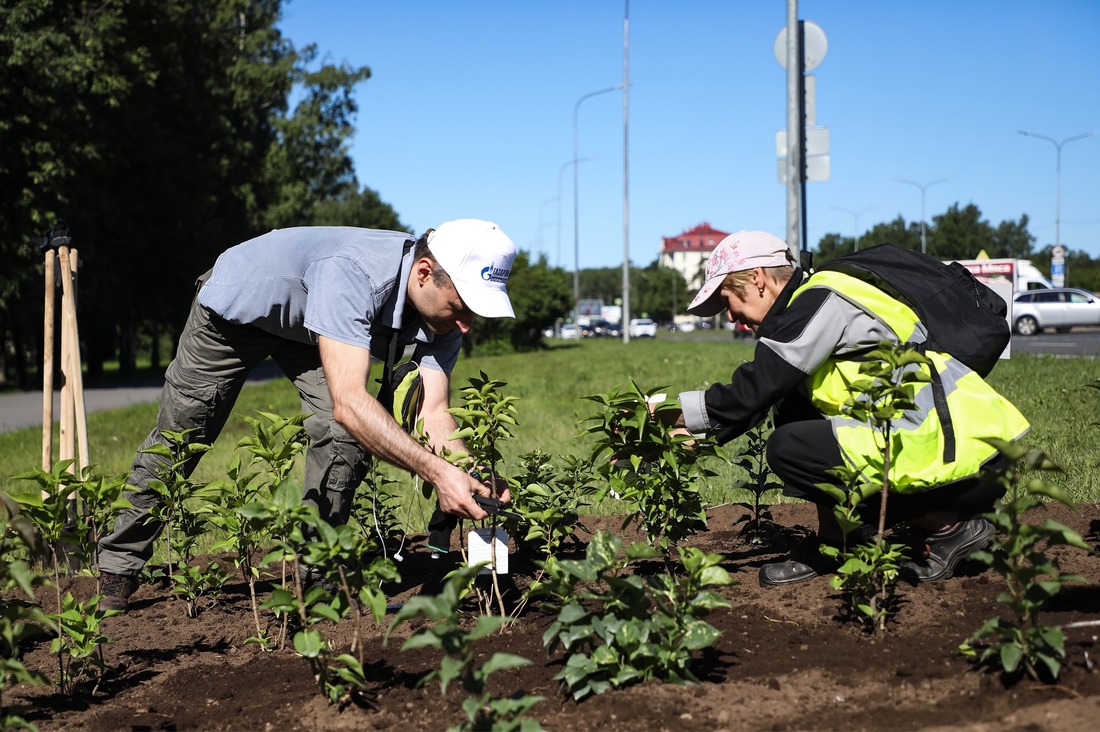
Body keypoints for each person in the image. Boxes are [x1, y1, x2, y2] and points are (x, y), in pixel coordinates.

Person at [97, 219, 517, 610]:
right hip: (236, 309)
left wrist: (468, 471)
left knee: (343, 437)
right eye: (461, 306)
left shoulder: (442, 320)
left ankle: (315, 573)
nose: (467, 325)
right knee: (185, 432)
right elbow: (350, 403)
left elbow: (433, 410)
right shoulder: (355, 274)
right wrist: (438, 475)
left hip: (310, 323)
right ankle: (117, 566)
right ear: (424, 273)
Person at [660, 230, 1030, 587]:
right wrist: (689, 440)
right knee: (795, 412)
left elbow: (754, 388)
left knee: (789, 449)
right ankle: (838, 543)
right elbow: (763, 398)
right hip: (964, 455)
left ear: (758, 279)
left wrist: (656, 415)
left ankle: (948, 528)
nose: (730, 317)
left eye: (728, 300)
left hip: (963, 460)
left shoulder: (821, 297)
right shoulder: (815, 301)